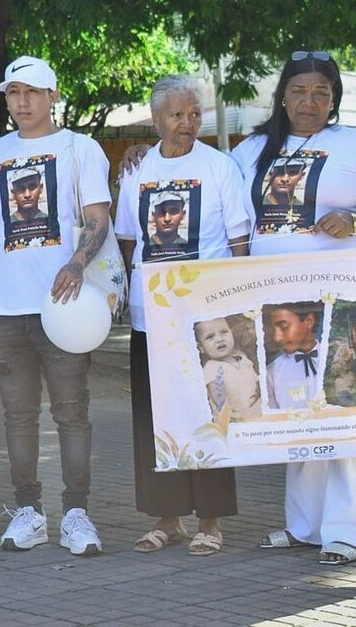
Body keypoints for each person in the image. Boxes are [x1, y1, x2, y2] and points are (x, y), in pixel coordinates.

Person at [230, 50, 356, 567]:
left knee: (351, 407)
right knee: (296, 410)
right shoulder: (252, 150)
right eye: (299, 92)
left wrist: (353, 218)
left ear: (334, 101)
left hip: (343, 297)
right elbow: (213, 191)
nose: (309, 102)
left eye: (321, 94)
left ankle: (351, 531)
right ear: (282, 97)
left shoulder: (354, 143)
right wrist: (140, 157)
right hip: (277, 300)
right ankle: (304, 525)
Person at [114, 74, 250, 557]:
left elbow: (240, 243)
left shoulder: (219, 167)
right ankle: (167, 518)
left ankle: (210, 522)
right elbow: (128, 241)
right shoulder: (136, 170)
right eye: (177, 115)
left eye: (195, 114)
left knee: (209, 413)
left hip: (206, 320)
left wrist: (238, 311)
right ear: (156, 119)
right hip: (151, 319)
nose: (187, 124)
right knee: (152, 417)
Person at [0, 55, 112, 557]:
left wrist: (77, 264)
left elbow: (98, 218)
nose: (22, 102)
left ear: (53, 96)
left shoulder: (80, 148)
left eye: (32, 92)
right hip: (5, 307)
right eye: (13, 93)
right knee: (18, 417)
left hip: (66, 306)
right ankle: (29, 512)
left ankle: (77, 514)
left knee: (71, 413)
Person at [195, 317, 261, 421]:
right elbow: (219, 399)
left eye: (224, 332)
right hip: (234, 420)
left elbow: (255, 381)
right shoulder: (212, 368)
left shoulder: (241, 357)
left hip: (255, 411)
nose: (219, 339)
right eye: (210, 337)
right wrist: (233, 417)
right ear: (201, 347)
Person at [264, 303, 324, 409]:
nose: (277, 338)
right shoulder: (271, 373)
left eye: (283, 327)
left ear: (308, 321)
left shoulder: (335, 359)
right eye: (274, 330)